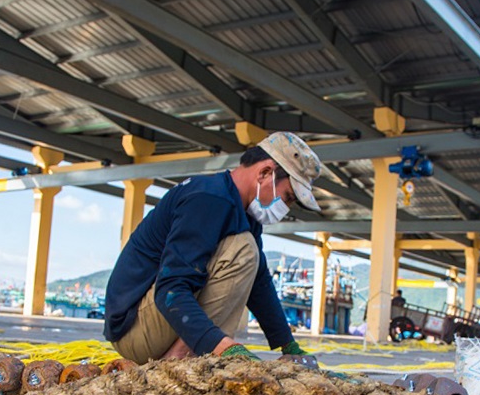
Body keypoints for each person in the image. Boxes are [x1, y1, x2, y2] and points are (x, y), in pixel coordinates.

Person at [104, 132, 322, 363]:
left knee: (249, 252)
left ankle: (190, 352)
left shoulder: (242, 213)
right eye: (287, 197)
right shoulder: (209, 199)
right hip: (133, 331)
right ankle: (177, 359)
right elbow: (171, 289)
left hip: (152, 324)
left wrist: (287, 344)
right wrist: (221, 345)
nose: (285, 208)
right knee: (244, 249)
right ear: (265, 172)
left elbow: (260, 283)